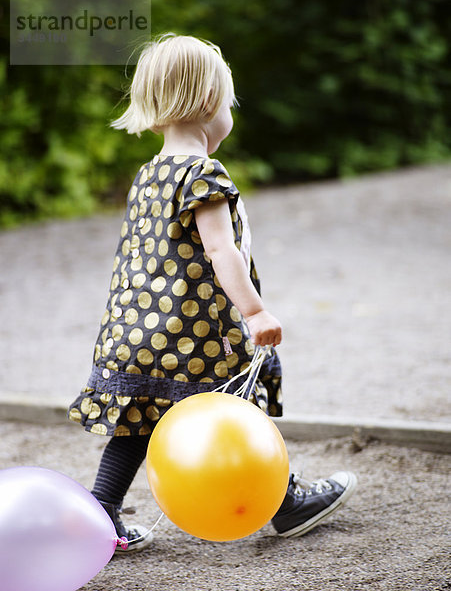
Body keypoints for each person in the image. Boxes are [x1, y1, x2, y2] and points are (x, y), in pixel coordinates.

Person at [68, 34, 357, 552]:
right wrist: (256, 310)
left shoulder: (149, 174)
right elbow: (222, 252)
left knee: (136, 421)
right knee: (241, 409)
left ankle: (102, 512)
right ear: (206, 105)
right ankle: (286, 501)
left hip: (137, 332)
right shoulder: (204, 173)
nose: (230, 114)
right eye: (229, 103)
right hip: (199, 337)